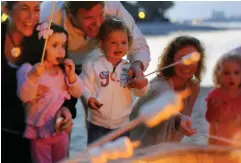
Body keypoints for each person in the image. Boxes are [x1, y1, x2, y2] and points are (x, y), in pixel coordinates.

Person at [40, 1, 151, 120]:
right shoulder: (48, 16)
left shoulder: (113, 7)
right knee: (58, 117)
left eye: (101, 15)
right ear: (71, 15)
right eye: (89, 17)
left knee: (102, 115)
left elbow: (137, 45)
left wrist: (137, 65)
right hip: (62, 65)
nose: (98, 24)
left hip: (97, 63)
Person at [1, 2, 75, 162]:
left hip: (48, 135)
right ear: (6, 9)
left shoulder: (45, 38)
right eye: (24, 8)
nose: (32, 17)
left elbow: (62, 78)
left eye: (36, 9)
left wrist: (66, 110)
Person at [16, 23, 83, 163]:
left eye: (63, 46)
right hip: (39, 134)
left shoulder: (62, 71)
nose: (61, 51)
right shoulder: (27, 69)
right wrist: (33, 77)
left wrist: (71, 76)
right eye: (55, 45)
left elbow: (77, 93)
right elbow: (24, 96)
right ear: (41, 46)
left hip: (61, 133)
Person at [80, 17, 149, 144]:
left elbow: (140, 93)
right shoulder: (92, 65)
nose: (119, 46)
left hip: (122, 126)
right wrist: (89, 98)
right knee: (97, 157)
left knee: (120, 158)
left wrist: (142, 84)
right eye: (113, 42)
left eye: (123, 42)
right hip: (97, 125)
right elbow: (83, 85)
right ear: (101, 44)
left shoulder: (129, 68)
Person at [130, 36, 206, 148]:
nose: (187, 64)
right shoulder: (158, 86)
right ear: (171, 60)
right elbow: (165, 110)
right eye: (182, 58)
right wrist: (179, 119)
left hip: (165, 150)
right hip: (138, 150)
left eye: (193, 59)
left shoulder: (193, 87)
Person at [205, 53, 241, 146]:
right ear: (218, 74)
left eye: (236, 73)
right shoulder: (215, 94)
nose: (232, 77)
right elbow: (210, 119)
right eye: (226, 73)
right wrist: (214, 108)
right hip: (221, 140)